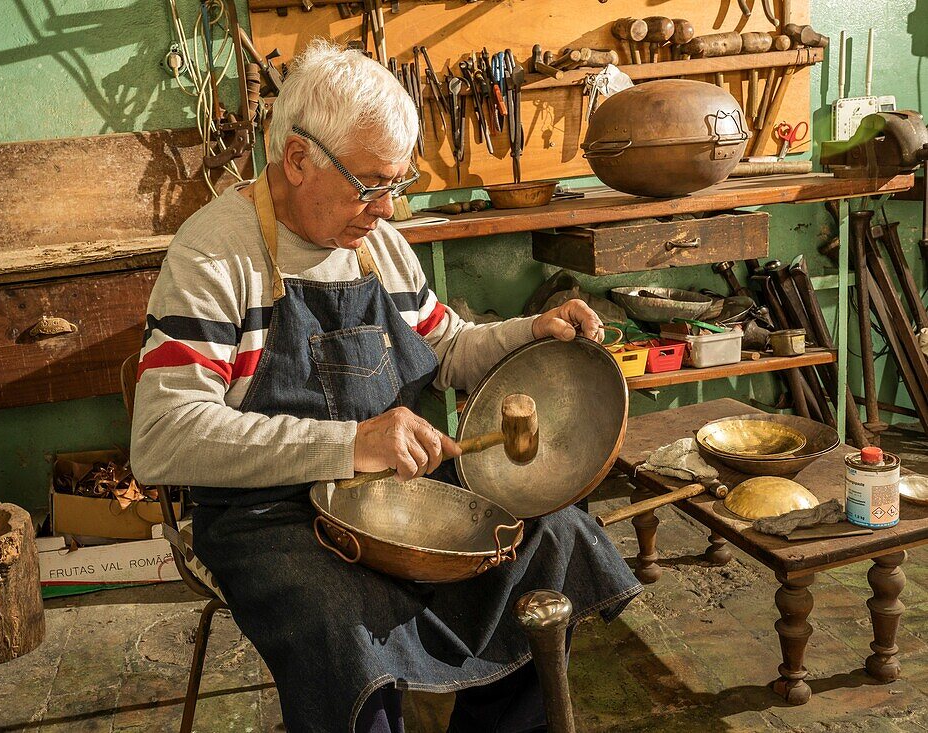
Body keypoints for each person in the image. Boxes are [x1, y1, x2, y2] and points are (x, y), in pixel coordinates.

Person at [131, 39, 641, 733]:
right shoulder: (215, 256)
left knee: (555, 541)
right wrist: (351, 443)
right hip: (268, 517)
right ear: (299, 159)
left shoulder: (376, 245)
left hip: (393, 499)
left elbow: (449, 345)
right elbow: (164, 439)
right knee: (344, 627)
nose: (390, 210)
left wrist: (532, 331)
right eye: (372, 186)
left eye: (396, 186)